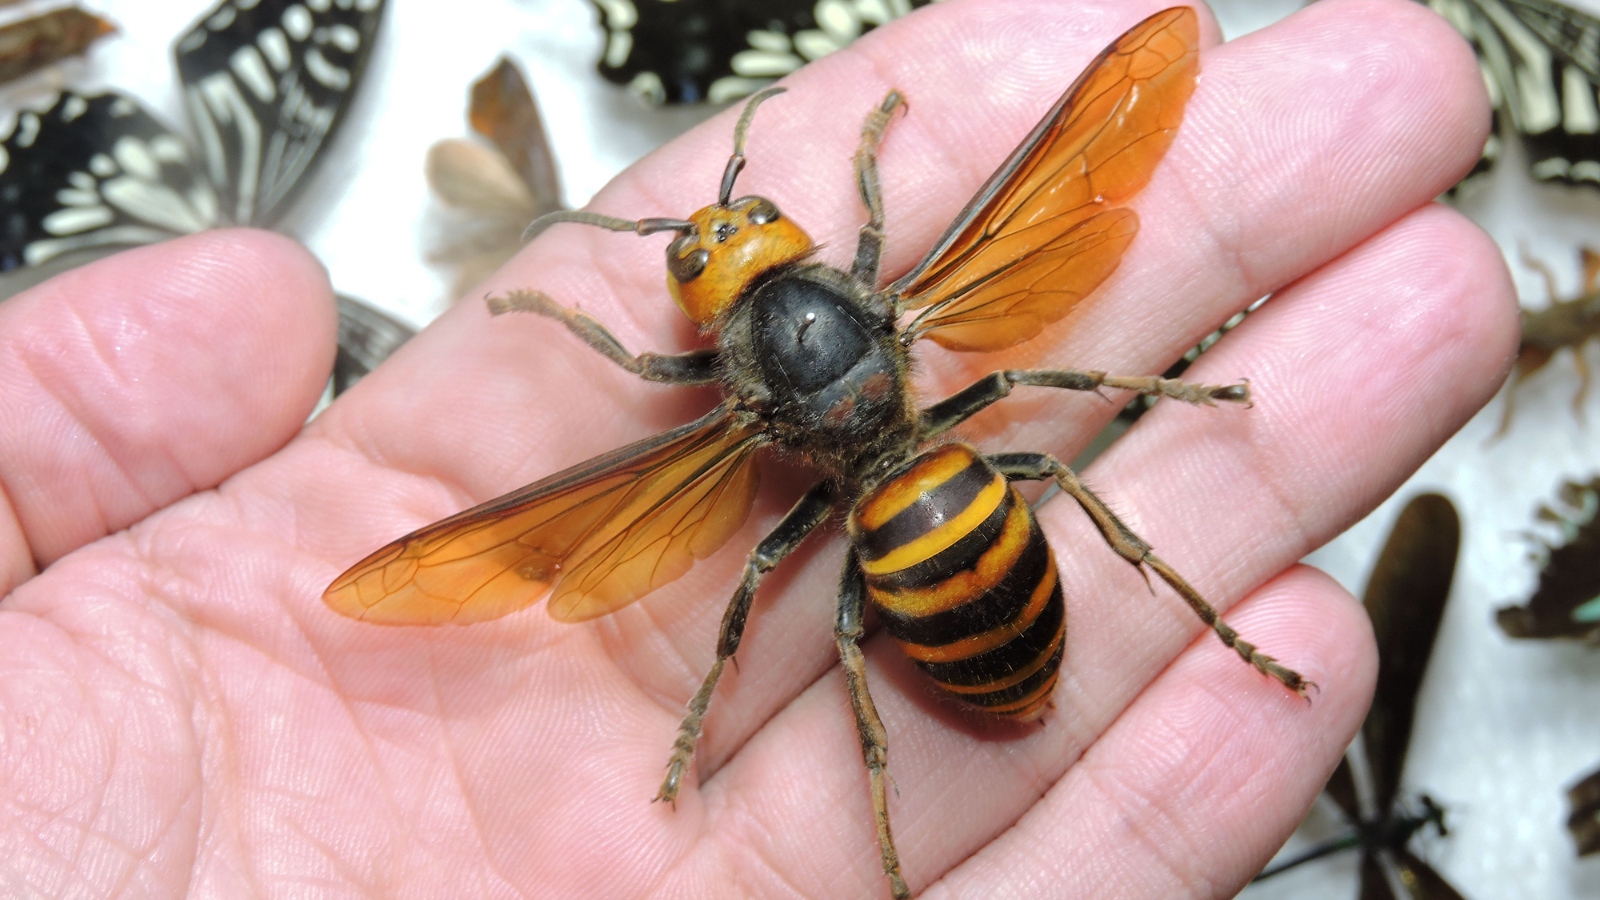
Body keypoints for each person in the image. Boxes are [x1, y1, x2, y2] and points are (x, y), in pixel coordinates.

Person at [0, 0, 1514, 895]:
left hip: (912, 546)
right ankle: (1192, 620)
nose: (729, 237)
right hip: (949, 505)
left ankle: (877, 798)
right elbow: (1020, 335)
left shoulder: (725, 415)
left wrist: (558, 307)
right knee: (1054, 460)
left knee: (819, 621)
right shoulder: (894, 292)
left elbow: (669, 442)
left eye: (733, 231)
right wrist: (1179, 394)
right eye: (712, 243)